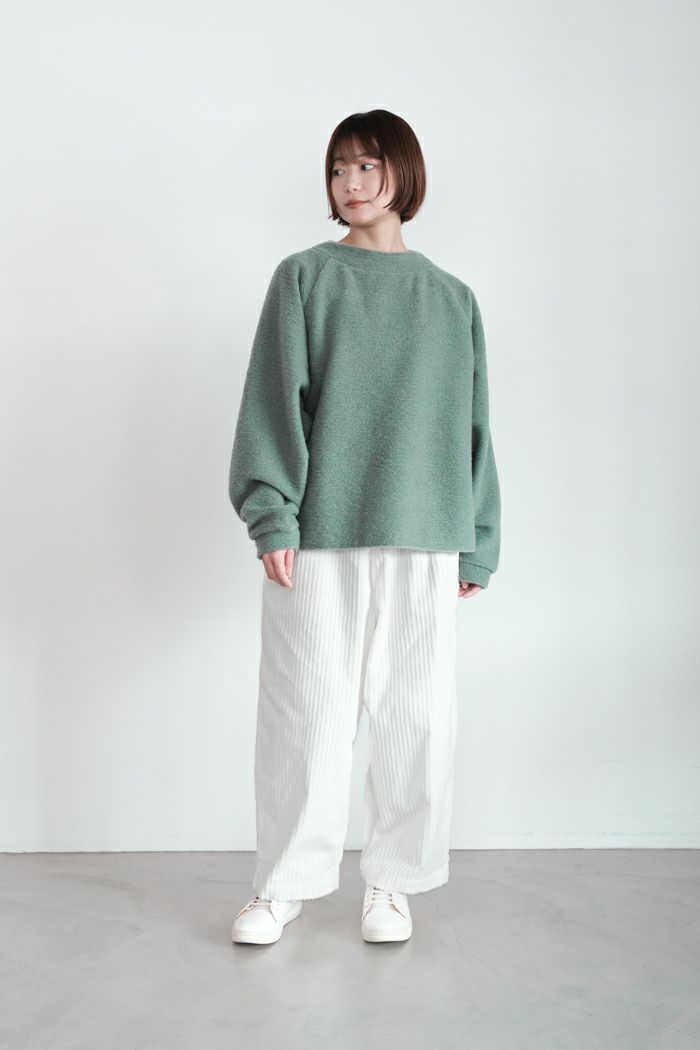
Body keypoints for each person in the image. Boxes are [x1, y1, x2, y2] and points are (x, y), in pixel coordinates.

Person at [227, 108, 501, 945]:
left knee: (418, 720)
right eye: (339, 167)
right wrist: (272, 517)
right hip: (321, 534)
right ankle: (283, 886)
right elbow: (273, 403)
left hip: (428, 535)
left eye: (368, 166)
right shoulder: (305, 278)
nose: (350, 183)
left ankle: (393, 884)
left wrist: (480, 540)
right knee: (307, 716)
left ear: (404, 175)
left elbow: (474, 429)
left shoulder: (451, 299)